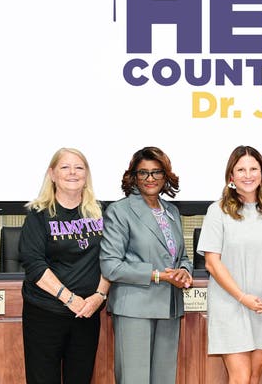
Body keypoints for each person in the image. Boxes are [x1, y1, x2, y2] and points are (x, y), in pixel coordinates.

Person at [197, 145, 262, 384]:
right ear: (231, 176)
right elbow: (212, 262)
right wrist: (242, 297)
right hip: (231, 304)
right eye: (241, 169)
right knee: (240, 377)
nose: (248, 174)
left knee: (253, 377)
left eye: (254, 168)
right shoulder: (217, 211)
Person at [100, 146, 193, 384]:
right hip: (135, 309)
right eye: (143, 173)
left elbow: (180, 257)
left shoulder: (171, 211)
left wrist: (184, 271)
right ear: (133, 177)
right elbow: (111, 266)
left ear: (166, 176)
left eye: (156, 172)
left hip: (170, 308)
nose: (150, 179)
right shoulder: (119, 211)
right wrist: (159, 276)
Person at [18, 148, 110, 384]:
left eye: (79, 167)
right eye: (65, 167)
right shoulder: (38, 215)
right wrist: (70, 299)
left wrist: (99, 296)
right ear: (52, 174)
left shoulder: (101, 214)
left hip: (87, 313)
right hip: (45, 314)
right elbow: (34, 265)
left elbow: (111, 258)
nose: (72, 173)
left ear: (86, 174)